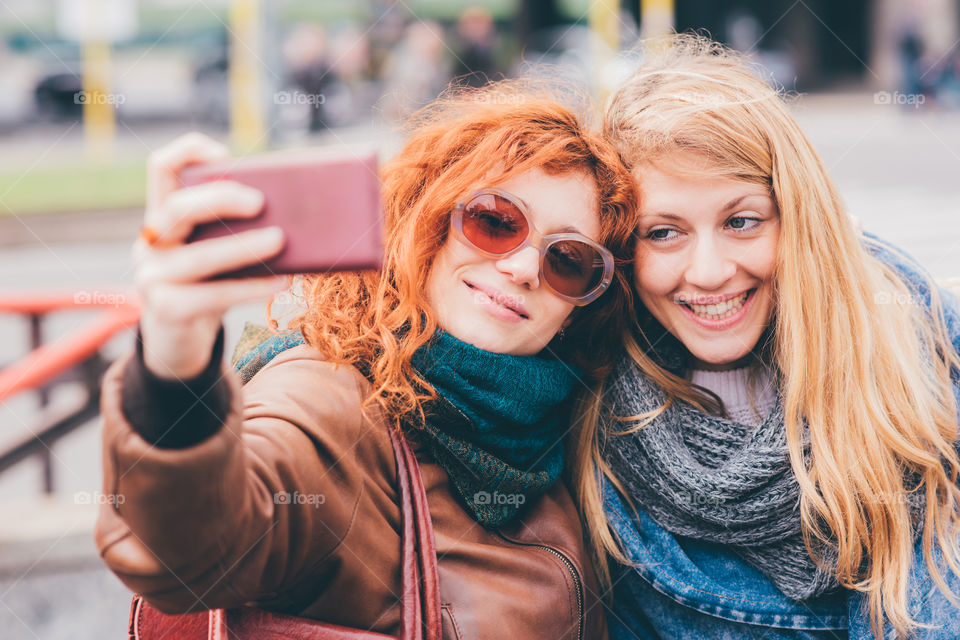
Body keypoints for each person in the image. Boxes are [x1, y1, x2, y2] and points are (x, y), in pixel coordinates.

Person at [94, 82, 639, 639]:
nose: (524, 268)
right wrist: (173, 359)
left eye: (569, 259)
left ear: (579, 305)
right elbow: (186, 551)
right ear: (425, 226)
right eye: (495, 221)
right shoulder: (328, 396)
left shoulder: (568, 424)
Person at [571, 35, 960, 639]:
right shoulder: (587, 396)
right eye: (663, 234)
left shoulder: (919, 344)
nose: (709, 271)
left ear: (798, 216)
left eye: (742, 221)